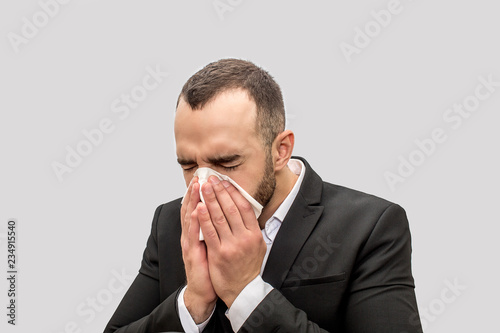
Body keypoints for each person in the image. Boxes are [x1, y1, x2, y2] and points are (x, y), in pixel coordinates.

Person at [104, 58, 422, 332]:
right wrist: (192, 303)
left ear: (281, 150)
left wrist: (247, 294)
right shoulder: (172, 221)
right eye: (189, 165)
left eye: (226, 162)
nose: (203, 184)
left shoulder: (370, 226)